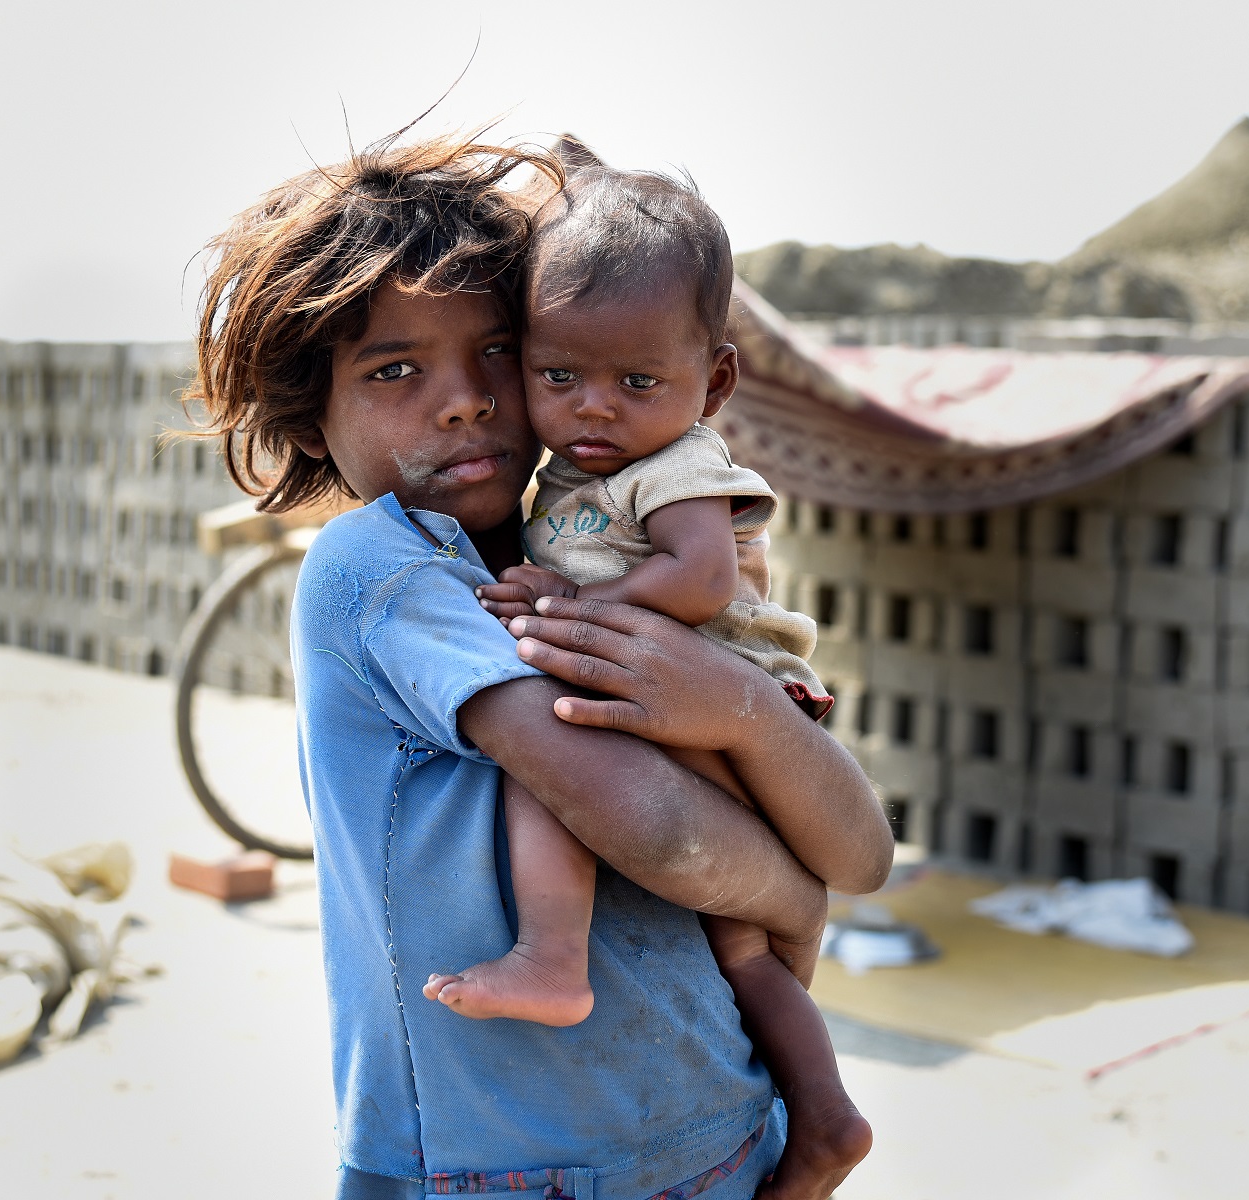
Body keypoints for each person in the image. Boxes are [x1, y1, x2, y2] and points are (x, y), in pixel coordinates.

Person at [186, 130, 893, 1200]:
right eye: (394, 370)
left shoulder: (574, 561)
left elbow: (866, 853)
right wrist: (791, 900)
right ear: (311, 419)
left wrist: (746, 713)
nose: (465, 399)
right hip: (509, 1163)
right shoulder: (379, 567)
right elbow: (654, 824)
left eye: (499, 354)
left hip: (717, 1121)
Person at [424, 162, 871, 1195]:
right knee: (743, 948)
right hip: (676, 696)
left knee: (542, 765)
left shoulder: (677, 465)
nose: (593, 409)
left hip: (718, 690)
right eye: (558, 377)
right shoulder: (573, 475)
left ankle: (551, 954)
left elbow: (703, 575)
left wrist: (579, 614)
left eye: (637, 383)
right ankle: (826, 1113)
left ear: (710, 384)